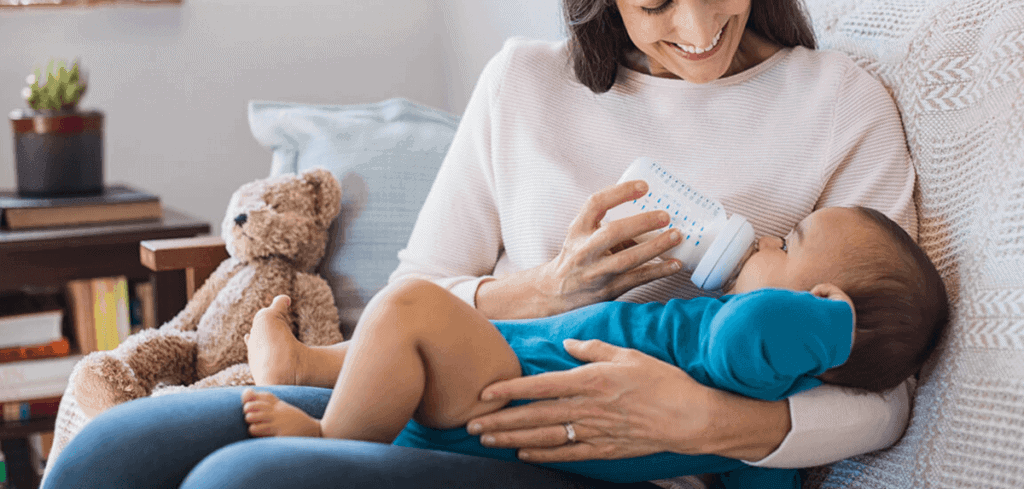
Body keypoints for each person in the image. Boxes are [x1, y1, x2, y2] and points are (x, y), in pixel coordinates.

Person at [42, 0, 923, 488]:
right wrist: (548, 287)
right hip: (453, 395)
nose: (699, 32)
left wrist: (695, 419)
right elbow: (413, 294)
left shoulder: (838, 104)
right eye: (656, 7)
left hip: (620, 462)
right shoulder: (524, 85)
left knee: (243, 478)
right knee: (118, 447)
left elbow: (885, 389)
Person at [238, 206, 949, 489]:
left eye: (788, 243)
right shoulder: (754, 419)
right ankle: (309, 365)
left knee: (411, 310)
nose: (765, 237)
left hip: (514, 387)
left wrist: (825, 324)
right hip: (515, 357)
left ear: (819, 308)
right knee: (414, 336)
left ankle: (331, 434)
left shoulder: (744, 350)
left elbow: (757, 330)